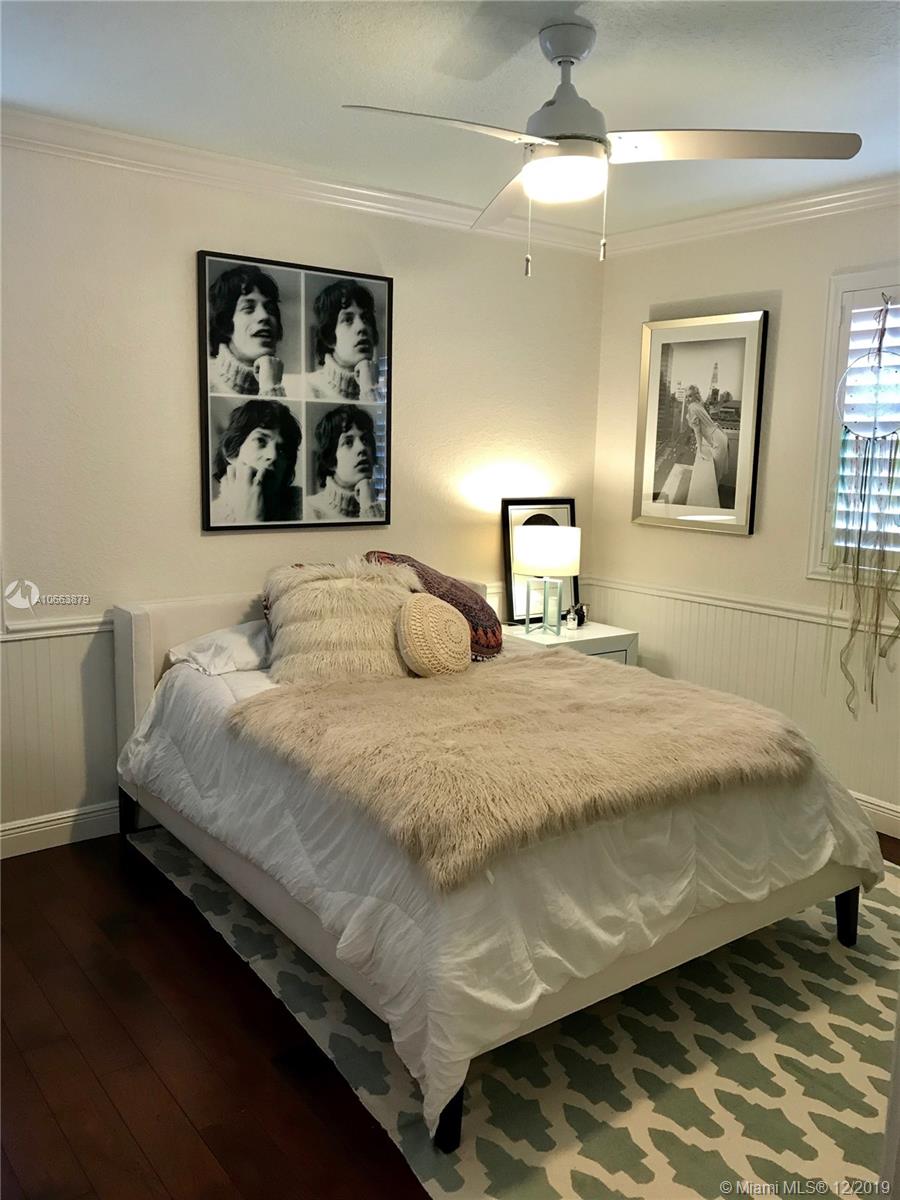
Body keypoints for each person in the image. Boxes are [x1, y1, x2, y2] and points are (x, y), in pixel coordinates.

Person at [210, 399, 302, 524]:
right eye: (260, 441)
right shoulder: (214, 517)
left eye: (283, 449)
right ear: (232, 452)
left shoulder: (305, 507)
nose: (273, 455)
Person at [208, 264, 287, 396]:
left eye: (270, 309)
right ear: (225, 323)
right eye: (248, 308)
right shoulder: (206, 381)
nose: (264, 316)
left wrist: (270, 386)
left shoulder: (294, 386)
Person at [305, 280, 382, 403]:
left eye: (366, 318)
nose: (362, 327)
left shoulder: (382, 390)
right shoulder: (307, 388)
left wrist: (369, 389)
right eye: (348, 320)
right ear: (330, 337)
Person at [304, 404, 384, 521]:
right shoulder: (309, 510)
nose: (362, 448)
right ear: (331, 461)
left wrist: (368, 505)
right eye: (348, 442)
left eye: (365, 440)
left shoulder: (383, 510)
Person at [685, 388, 729, 483]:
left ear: (695, 396)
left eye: (690, 396)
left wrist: (700, 451)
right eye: (686, 396)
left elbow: (697, 432)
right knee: (716, 475)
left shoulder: (692, 407)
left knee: (714, 476)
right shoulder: (698, 405)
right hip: (719, 436)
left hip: (716, 439)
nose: (687, 399)